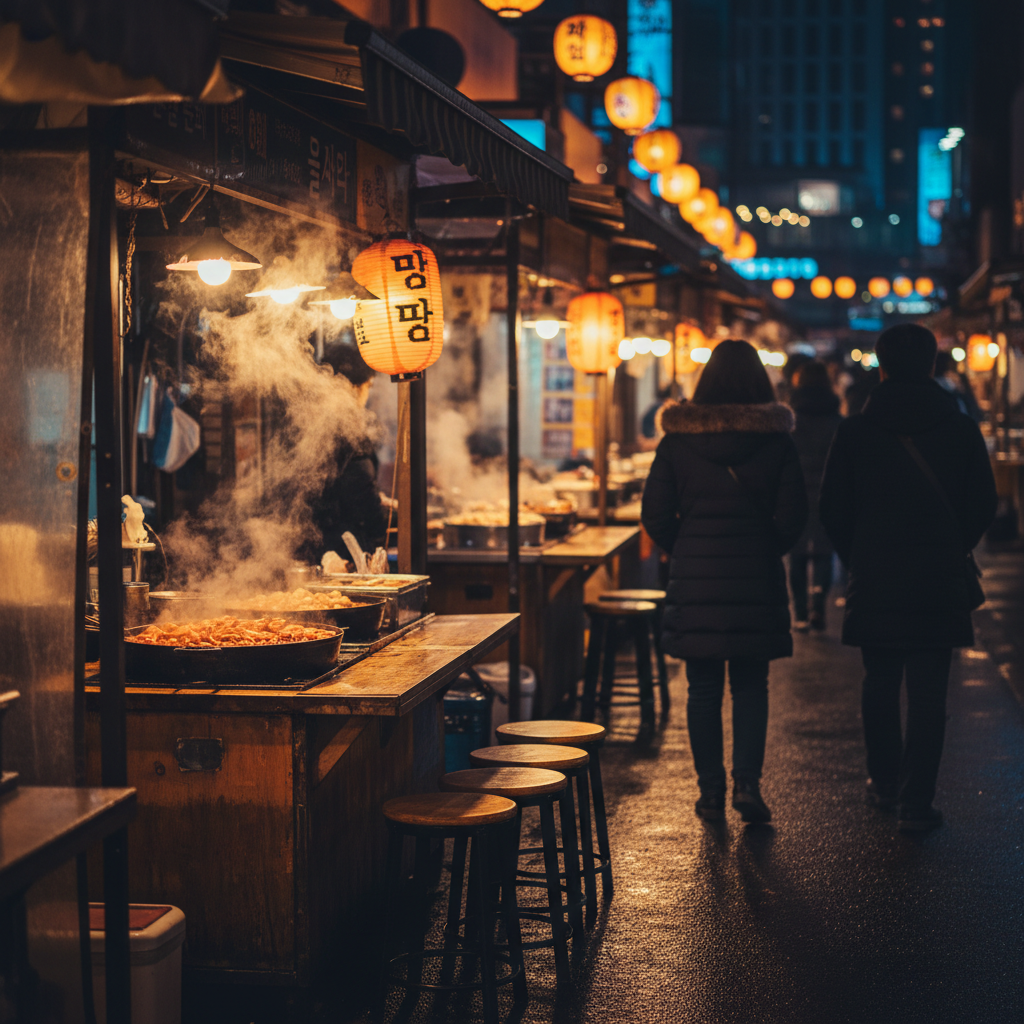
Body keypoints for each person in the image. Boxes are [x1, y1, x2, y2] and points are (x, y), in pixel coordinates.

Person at [820, 324, 997, 832]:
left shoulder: (855, 431)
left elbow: (832, 508)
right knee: (929, 692)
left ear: (881, 367)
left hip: (875, 573)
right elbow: (983, 503)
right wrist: (953, 544)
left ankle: (883, 782)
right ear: (932, 365)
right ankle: (916, 802)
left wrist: (858, 555)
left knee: (879, 681)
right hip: (938, 575)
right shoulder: (960, 429)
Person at [641, 340, 808, 823]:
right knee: (752, 685)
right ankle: (747, 785)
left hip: (696, 578)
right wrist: (764, 547)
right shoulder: (777, 441)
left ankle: (710, 791)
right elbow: (794, 516)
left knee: (702, 687)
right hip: (756, 575)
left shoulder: (677, 441)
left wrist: (686, 546)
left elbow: (654, 514)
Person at [303, 342, 388, 562]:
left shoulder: (307, 420)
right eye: (368, 386)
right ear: (353, 387)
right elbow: (362, 498)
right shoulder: (349, 429)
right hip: (342, 551)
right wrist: (388, 519)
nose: (367, 394)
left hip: (309, 546)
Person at [788, 361, 843, 631]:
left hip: (796, 494)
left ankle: (800, 612)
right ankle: (818, 604)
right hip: (827, 493)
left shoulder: (792, 420)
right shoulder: (836, 420)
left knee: (797, 553)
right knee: (823, 551)